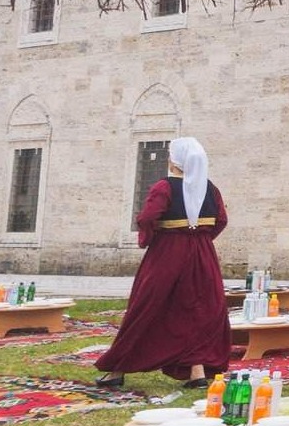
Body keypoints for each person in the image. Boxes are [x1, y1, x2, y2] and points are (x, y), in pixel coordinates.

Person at [96, 137, 232, 390]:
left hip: (168, 254)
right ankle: (197, 371)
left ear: (176, 161)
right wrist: (200, 238)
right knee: (199, 309)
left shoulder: (164, 187)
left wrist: (152, 237)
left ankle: (118, 369)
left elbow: (148, 217)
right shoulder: (210, 189)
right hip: (203, 256)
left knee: (148, 305)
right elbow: (221, 220)